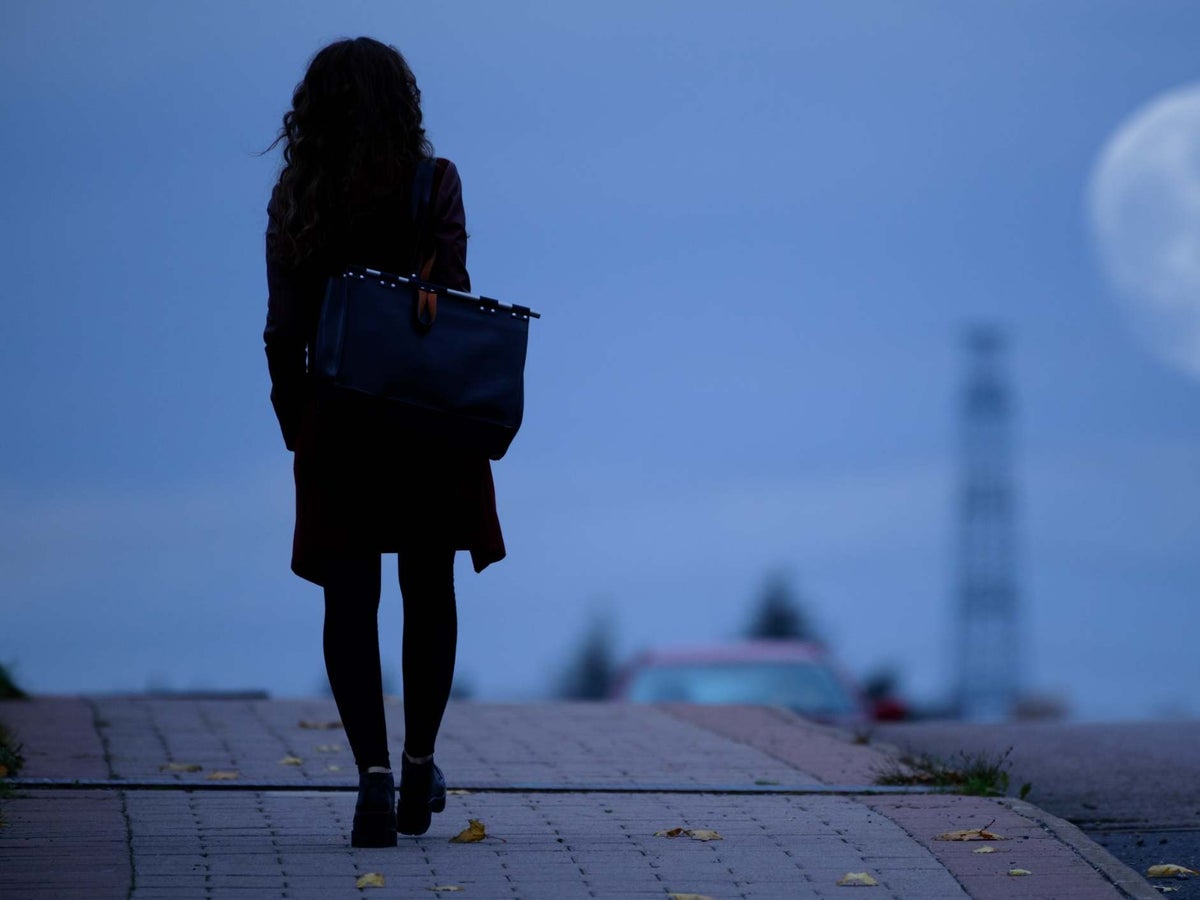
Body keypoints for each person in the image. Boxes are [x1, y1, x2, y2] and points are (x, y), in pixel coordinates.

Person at [263, 37, 505, 847]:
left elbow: (284, 332)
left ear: (314, 113)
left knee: (349, 597)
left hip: (340, 422)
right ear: (405, 104)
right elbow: (457, 299)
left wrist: (300, 424)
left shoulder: (298, 197)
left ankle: (370, 777)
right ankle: (419, 762)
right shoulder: (435, 184)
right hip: (428, 421)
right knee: (429, 588)